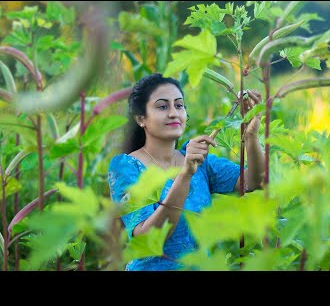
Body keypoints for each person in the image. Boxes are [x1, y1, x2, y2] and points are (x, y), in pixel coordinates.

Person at [108, 73, 264, 271]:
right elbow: (147, 239)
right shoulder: (126, 167)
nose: (174, 113)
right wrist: (186, 174)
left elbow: (254, 182)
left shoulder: (202, 163)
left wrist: (251, 136)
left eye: (179, 105)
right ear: (141, 118)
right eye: (163, 106)